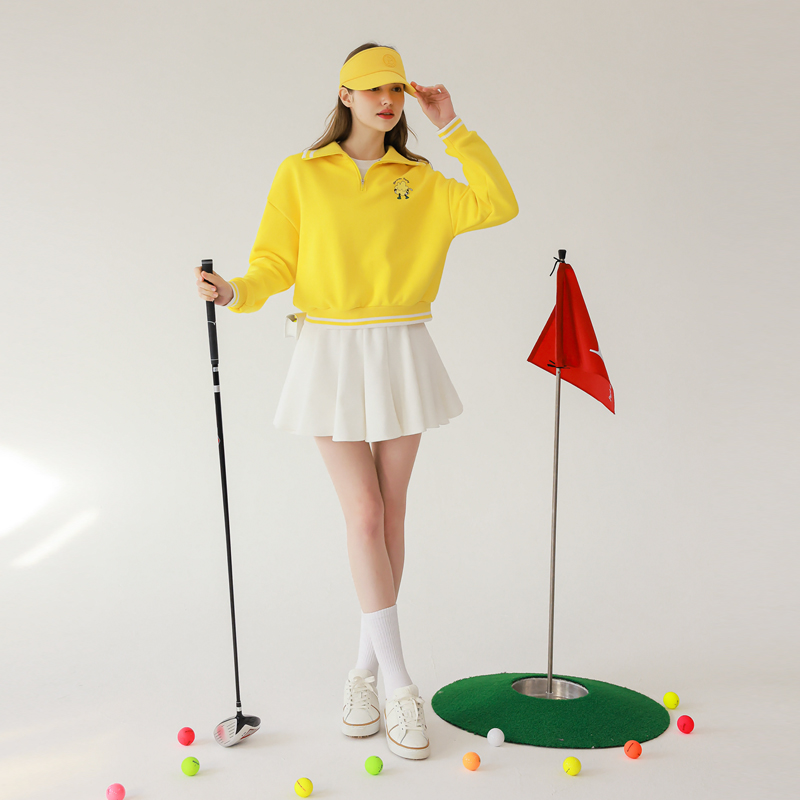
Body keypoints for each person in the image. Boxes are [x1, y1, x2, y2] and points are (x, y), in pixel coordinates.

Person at [194, 41, 518, 761]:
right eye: (373, 89)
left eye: (396, 89)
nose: (387, 101)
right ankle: (401, 686)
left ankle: (364, 674)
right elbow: (274, 261)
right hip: (331, 351)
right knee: (365, 515)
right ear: (344, 95)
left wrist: (452, 124)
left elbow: (501, 203)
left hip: (401, 345)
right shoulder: (301, 173)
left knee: (391, 514)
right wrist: (237, 291)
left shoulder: (422, 179)